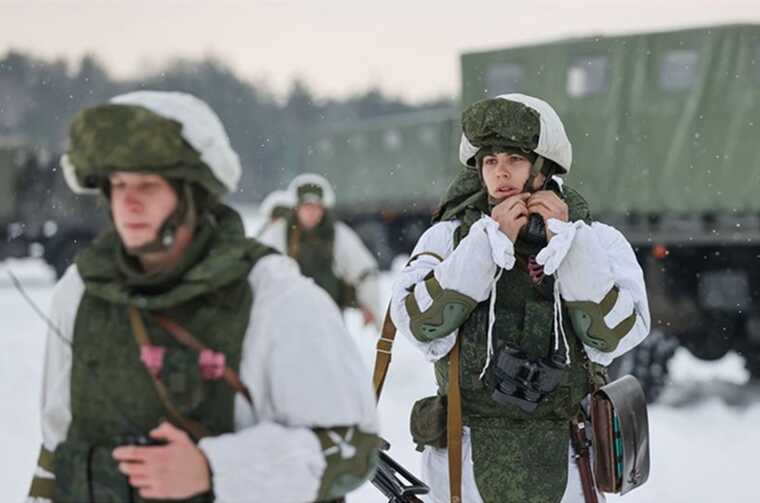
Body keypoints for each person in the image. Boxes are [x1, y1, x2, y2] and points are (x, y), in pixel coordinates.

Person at [26, 91, 379, 503]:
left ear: (192, 194)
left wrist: (214, 468)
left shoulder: (276, 297)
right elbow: (57, 446)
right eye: (118, 184)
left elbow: (352, 448)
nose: (128, 200)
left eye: (148, 184)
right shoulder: (80, 291)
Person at [389, 94, 651, 503]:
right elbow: (420, 324)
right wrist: (480, 251)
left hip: (566, 457)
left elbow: (613, 337)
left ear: (542, 167)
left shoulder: (597, 240)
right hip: (466, 462)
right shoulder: (447, 238)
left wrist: (573, 249)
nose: (501, 172)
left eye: (514, 159)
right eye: (490, 162)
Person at [258, 173, 382, 327]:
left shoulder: (338, 233)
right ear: (297, 208)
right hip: (288, 316)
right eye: (307, 207)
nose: (312, 213)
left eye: (317, 207)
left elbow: (364, 271)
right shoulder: (280, 232)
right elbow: (259, 267)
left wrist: (369, 306)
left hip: (329, 316)